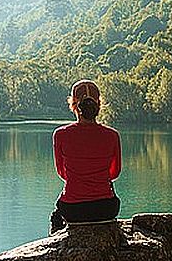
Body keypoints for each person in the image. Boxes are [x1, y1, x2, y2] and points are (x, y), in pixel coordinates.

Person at [49, 79, 121, 234]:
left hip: (73, 211)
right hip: (106, 209)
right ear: (99, 105)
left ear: (74, 105)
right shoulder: (112, 135)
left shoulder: (60, 134)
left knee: (56, 215)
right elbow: (114, 174)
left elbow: (62, 173)